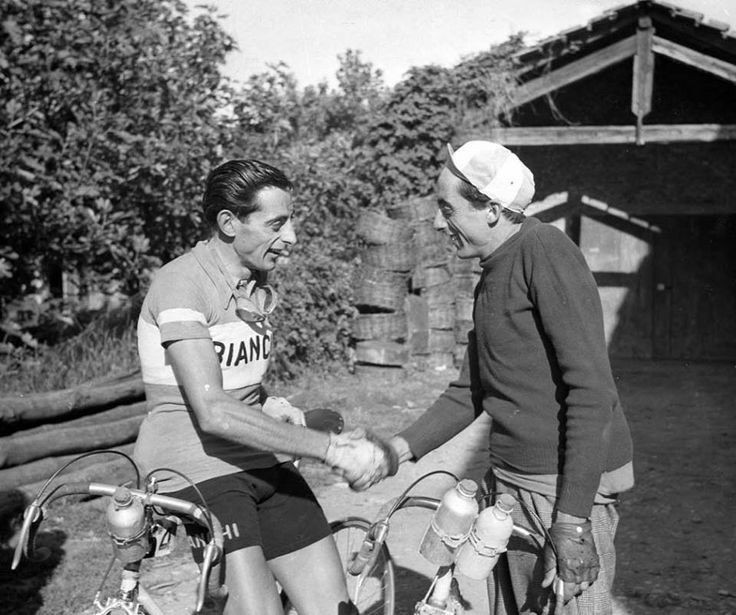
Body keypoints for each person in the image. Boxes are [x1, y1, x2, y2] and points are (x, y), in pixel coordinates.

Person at [369, 141, 635, 614]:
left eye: (446, 209)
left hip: (564, 490)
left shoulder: (544, 251)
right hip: (512, 485)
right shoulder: (493, 272)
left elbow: (591, 390)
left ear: (491, 209)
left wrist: (572, 522)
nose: (437, 223)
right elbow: (475, 387)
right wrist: (396, 450)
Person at [133, 159, 396, 615]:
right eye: (277, 223)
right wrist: (329, 449)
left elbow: (236, 374)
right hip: (197, 467)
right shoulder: (181, 284)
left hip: (258, 458)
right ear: (230, 223)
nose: (291, 236)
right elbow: (212, 409)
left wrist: (271, 400)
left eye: (290, 221)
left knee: (335, 609)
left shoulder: (254, 284)